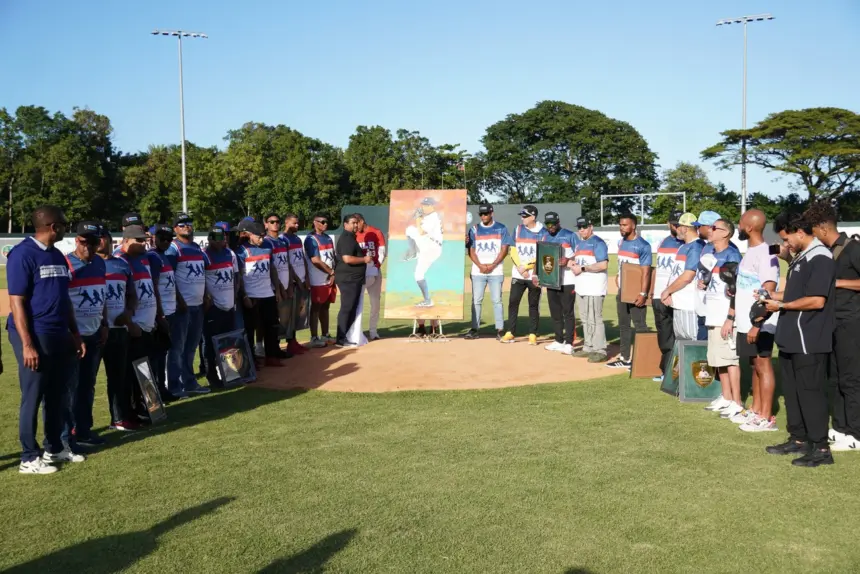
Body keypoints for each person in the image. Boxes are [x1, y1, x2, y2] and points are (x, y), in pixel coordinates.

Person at [8, 206, 86, 474]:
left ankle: (54, 447)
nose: (66, 228)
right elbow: (16, 302)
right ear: (54, 227)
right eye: (64, 224)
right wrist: (27, 344)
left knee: (57, 394)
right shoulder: (22, 254)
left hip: (59, 333)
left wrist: (74, 334)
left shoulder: (56, 256)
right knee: (34, 393)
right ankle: (29, 457)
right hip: (35, 333)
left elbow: (65, 300)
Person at [764, 213, 836, 467]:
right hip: (791, 337)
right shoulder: (800, 258)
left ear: (800, 232)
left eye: (787, 238)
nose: (785, 244)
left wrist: (781, 304)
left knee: (811, 394)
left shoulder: (820, 257)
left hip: (809, 338)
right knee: (793, 393)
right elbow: (794, 293)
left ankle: (821, 448)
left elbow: (817, 300)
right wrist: (771, 296)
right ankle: (798, 439)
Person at [804, 202, 860, 451]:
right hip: (832, 323)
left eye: (813, 229)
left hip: (851, 322)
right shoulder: (827, 252)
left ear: (822, 228)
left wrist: (838, 283)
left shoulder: (853, 249)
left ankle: (856, 434)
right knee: (835, 378)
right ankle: (840, 428)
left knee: (851, 379)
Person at [731, 210, 780, 432]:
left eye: (740, 223)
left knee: (763, 364)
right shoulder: (750, 252)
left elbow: (768, 290)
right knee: (754, 365)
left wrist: (757, 323)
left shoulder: (766, 253)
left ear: (749, 227)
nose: (738, 226)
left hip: (761, 322)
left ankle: (766, 417)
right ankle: (756, 409)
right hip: (745, 321)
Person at [117, 225, 168, 423]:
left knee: (146, 368)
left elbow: (152, 288)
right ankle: (133, 410)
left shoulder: (145, 258)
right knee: (132, 373)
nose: (143, 243)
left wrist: (158, 316)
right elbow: (123, 297)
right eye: (138, 240)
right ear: (126, 241)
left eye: (144, 240)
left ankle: (147, 406)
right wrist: (131, 323)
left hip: (148, 323)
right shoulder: (121, 260)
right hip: (135, 326)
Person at [63, 221, 109, 448]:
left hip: (94, 334)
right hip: (74, 336)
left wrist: (105, 324)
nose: (88, 246)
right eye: (84, 241)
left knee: (87, 385)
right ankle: (68, 432)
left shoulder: (100, 263)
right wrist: (72, 334)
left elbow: (103, 295)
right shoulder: (66, 264)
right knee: (70, 387)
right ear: (76, 240)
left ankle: (84, 429)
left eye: (93, 241)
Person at [700, 219, 743, 419]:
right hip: (713, 313)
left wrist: (730, 318)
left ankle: (737, 401)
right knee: (719, 360)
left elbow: (736, 289)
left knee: (730, 360)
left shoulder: (732, 255)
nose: (711, 230)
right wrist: (704, 283)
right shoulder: (711, 254)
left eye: (715, 228)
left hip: (725, 316)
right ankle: (726, 397)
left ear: (726, 233)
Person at [164, 213, 210, 396]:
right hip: (182, 307)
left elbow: (201, 275)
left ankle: (189, 382)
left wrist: (206, 295)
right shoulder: (173, 249)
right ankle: (174, 386)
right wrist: (179, 301)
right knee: (177, 348)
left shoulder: (197, 248)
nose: (186, 226)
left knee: (191, 347)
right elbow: (169, 279)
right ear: (175, 228)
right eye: (181, 224)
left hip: (198, 304)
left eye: (189, 223)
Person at [97, 230, 139, 431]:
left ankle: (119, 418)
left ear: (109, 240)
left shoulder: (122, 265)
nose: (98, 241)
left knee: (118, 377)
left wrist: (129, 312)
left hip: (119, 329)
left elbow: (132, 294)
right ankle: (78, 425)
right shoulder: (83, 264)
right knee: (84, 382)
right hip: (94, 331)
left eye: (101, 237)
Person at [236, 218, 283, 367]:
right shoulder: (241, 250)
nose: (262, 239)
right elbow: (239, 276)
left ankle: (271, 356)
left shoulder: (268, 245)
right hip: (252, 295)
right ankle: (251, 360)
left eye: (263, 236)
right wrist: (244, 295)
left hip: (267, 293)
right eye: (258, 237)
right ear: (250, 235)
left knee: (271, 327)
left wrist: (277, 289)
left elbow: (272, 269)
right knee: (250, 330)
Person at [608, 213, 651, 369]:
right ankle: (625, 358)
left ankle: (644, 360)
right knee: (624, 325)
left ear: (633, 226)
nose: (622, 227)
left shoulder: (643, 245)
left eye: (625, 225)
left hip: (636, 293)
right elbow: (623, 266)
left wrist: (643, 293)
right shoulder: (621, 242)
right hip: (622, 291)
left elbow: (646, 272)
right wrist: (619, 277)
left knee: (640, 325)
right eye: (620, 225)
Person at [464, 203, 513, 341]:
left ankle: (500, 329)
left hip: (496, 271)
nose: (483, 216)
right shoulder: (474, 229)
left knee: (497, 300)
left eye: (486, 213)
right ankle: (474, 329)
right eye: (481, 214)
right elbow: (471, 251)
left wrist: (493, 265)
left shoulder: (501, 228)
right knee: (476, 301)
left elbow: (505, 249)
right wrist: (480, 265)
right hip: (478, 271)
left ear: (492, 213)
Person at [501, 205, 549, 345]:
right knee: (513, 302)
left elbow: (543, 253)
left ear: (533, 217)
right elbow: (513, 250)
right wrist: (520, 267)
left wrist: (527, 267)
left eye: (525, 216)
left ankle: (533, 334)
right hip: (518, 274)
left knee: (533, 305)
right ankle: (510, 332)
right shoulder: (517, 229)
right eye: (522, 215)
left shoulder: (544, 232)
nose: (522, 218)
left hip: (534, 275)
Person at [203, 226, 240, 387]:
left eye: (224, 237)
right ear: (210, 239)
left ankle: (229, 373)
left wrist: (235, 295)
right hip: (214, 307)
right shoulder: (204, 255)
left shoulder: (230, 253)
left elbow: (236, 276)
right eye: (218, 238)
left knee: (228, 342)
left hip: (229, 305)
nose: (223, 240)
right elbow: (201, 278)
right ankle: (212, 376)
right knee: (210, 344)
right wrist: (207, 297)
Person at [650, 215, 684, 381]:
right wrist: (651, 292)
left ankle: (676, 373)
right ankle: (666, 371)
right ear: (669, 224)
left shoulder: (687, 243)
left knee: (679, 335)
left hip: (676, 296)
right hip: (658, 295)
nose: (678, 227)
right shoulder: (663, 242)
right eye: (675, 224)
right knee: (664, 337)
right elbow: (657, 268)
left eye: (681, 224)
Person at [662, 213, 705, 343]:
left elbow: (688, 276)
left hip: (689, 305)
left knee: (692, 344)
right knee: (681, 344)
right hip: (679, 303)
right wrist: (669, 292)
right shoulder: (683, 246)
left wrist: (668, 291)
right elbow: (675, 274)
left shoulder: (697, 246)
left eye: (678, 226)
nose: (676, 229)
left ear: (685, 228)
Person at [148, 224, 180, 401]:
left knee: (163, 353)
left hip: (170, 309)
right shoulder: (153, 257)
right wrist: (160, 314)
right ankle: (157, 391)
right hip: (162, 313)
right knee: (157, 355)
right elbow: (153, 286)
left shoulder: (165, 256)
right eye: (163, 239)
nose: (166, 242)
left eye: (169, 240)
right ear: (155, 238)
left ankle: (162, 388)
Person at [571, 217, 609, 363]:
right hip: (581, 287)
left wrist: (582, 268)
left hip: (594, 287)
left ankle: (600, 349)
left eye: (584, 227)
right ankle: (588, 346)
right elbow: (579, 262)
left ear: (591, 227)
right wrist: (573, 263)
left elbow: (603, 265)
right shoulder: (580, 243)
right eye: (579, 227)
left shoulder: (598, 242)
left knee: (595, 319)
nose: (581, 230)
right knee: (585, 318)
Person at [334, 214, 372, 348]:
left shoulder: (350, 237)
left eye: (357, 223)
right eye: (352, 223)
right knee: (347, 308)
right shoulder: (346, 238)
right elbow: (347, 259)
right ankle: (340, 338)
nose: (355, 225)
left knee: (350, 308)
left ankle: (344, 337)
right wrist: (364, 260)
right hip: (348, 279)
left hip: (352, 279)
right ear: (345, 224)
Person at [543, 212, 578, 355]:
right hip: (551, 279)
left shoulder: (570, 235)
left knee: (568, 312)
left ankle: (569, 343)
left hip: (568, 279)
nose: (550, 227)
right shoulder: (545, 236)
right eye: (548, 224)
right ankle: (558, 340)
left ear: (558, 222)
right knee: (555, 311)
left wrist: (568, 260)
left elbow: (579, 252)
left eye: (552, 224)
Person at [403, 197, 443, 307]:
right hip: (428, 246)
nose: (424, 207)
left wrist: (418, 217)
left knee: (418, 275)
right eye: (423, 205)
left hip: (431, 247)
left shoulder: (433, 217)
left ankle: (428, 301)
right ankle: (414, 252)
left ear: (432, 206)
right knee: (418, 275)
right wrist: (419, 217)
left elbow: (420, 232)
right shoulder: (430, 216)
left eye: (426, 205)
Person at [263, 212, 293, 359]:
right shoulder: (266, 242)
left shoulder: (282, 241)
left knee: (284, 319)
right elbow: (271, 268)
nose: (275, 224)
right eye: (272, 221)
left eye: (277, 221)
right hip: (274, 287)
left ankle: (277, 346)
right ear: (266, 224)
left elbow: (287, 263)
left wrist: (290, 285)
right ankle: (268, 348)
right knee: (272, 320)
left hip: (286, 284)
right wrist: (280, 289)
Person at [305, 213, 337, 348]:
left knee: (326, 306)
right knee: (316, 308)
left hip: (328, 278)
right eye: (322, 221)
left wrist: (333, 274)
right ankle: (314, 337)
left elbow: (332, 257)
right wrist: (330, 272)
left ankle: (325, 334)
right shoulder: (311, 239)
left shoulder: (328, 238)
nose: (325, 224)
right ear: (315, 222)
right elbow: (315, 260)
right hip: (317, 279)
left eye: (326, 222)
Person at [281, 214, 309, 355]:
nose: (297, 226)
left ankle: (293, 341)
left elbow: (301, 258)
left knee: (298, 313)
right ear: (286, 223)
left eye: (298, 223)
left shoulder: (297, 239)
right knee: (288, 315)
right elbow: (287, 262)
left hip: (302, 280)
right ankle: (289, 342)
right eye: (294, 223)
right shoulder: (283, 239)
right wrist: (297, 279)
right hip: (292, 282)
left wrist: (306, 277)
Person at [355, 214, 386, 341]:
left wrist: (377, 266)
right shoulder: (354, 235)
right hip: (361, 273)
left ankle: (373, 332)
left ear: (362, 221)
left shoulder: (376, 232)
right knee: (359, 303)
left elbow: (382, 251)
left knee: (375, 304)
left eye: (357, 223)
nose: (356, 226)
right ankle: (358, 332)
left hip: (375, 271)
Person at [693, 211, 724, 341]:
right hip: (703, 307)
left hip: (715, 311)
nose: (697, 229)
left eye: (700, 225)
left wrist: (707, 282)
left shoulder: (725, 249)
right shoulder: (707, 246)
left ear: (710, 227)